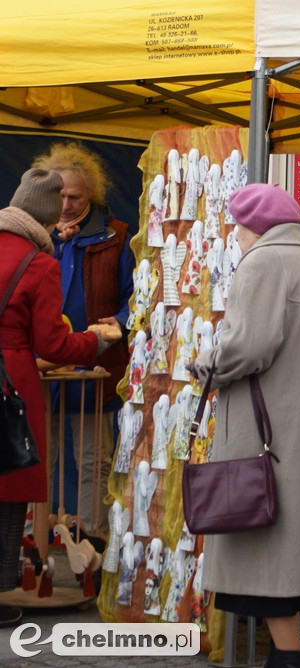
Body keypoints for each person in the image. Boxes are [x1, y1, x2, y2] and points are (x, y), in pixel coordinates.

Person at [192, 183, 300, 668]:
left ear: (253, 225)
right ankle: (288, 658)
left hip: (266, 438)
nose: (237, 238)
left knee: (271, 568)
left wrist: (205, 361)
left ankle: (288, 662)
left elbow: (248, 347)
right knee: (285, 567)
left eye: (238, 228)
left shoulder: (264, 263)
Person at [0, 169, 120, 627]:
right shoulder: (39, 264)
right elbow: (52, 345)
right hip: (11, 381)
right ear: (48, 216)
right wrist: (95, 342)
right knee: (10, 487)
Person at [31, 142, 134, 534]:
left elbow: (135, 298)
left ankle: (93, 538)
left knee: (93, 459)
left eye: (75, 196)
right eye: (60, 196)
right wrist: (51, 242)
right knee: (41, 456)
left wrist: (120, 323)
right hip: (43, 367)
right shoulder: (39, 236)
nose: (67, 204)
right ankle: (38, 537)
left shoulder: (117, 237)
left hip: (96, 365)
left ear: (92, 193)